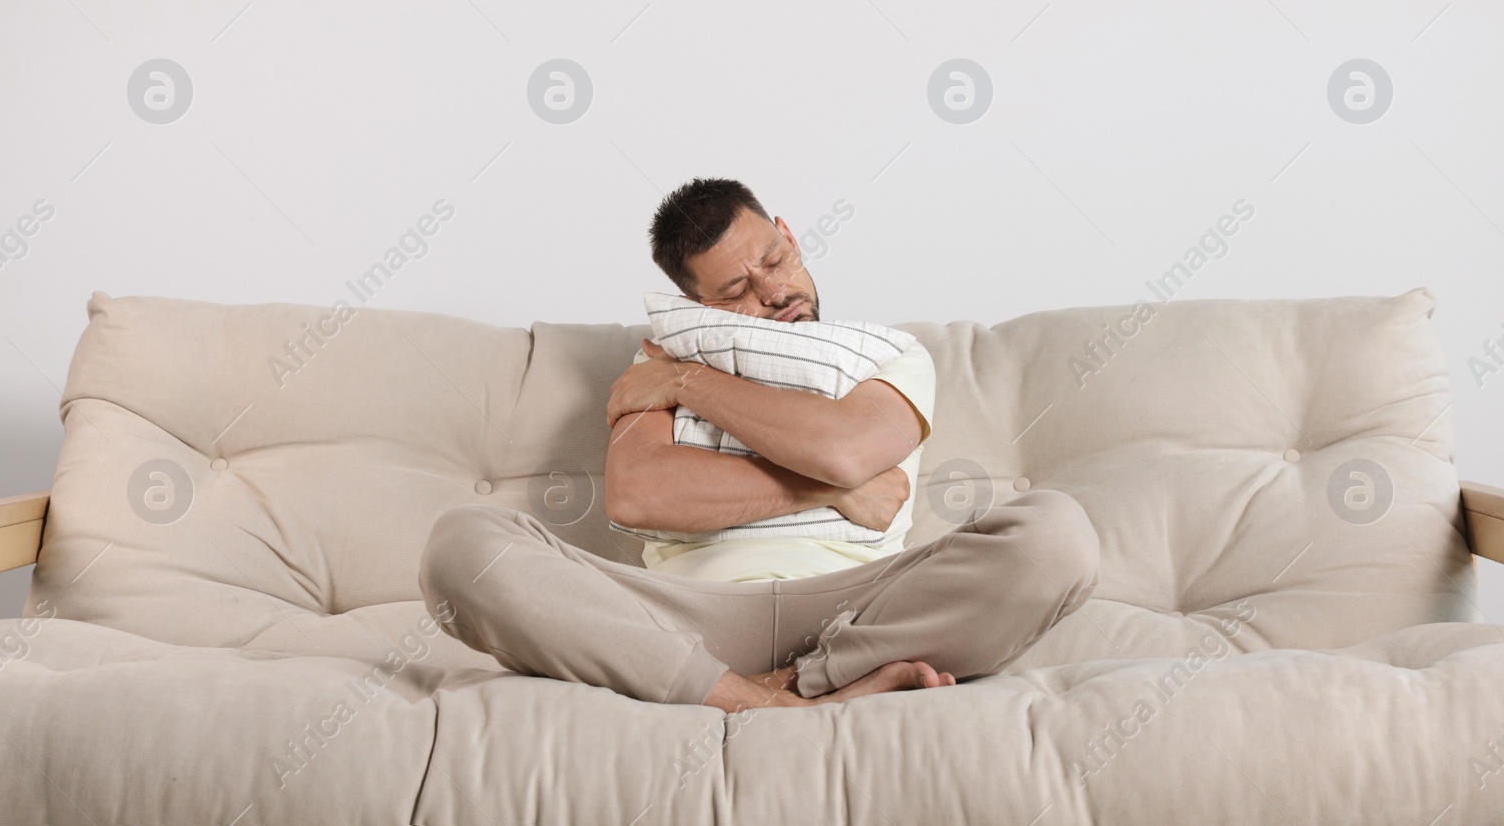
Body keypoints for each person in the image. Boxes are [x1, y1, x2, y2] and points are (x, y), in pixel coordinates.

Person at [420, 177, 1099, 712]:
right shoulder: (650, 360)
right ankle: (762, 698)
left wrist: (688, 384)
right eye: (737, 289)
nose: (775, 292)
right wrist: (836, 490)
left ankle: (791, 679)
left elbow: (847, 450)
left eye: (775, 258)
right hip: (684, 620)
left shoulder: (889, 355)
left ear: (788, 234)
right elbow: (641, 492)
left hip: (859, 611)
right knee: (463, 545)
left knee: (1057, 534)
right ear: (697, 308)